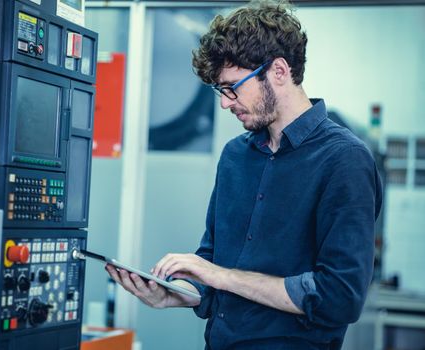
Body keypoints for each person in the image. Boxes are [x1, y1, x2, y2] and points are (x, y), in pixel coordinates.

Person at [106, 1, 383, 349]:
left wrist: (222, 276)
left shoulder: (344, 160)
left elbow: (339, 297)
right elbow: (212, 264)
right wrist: (177, 294)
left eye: (233, 86)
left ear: (279, 71)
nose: (225, 102)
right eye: (221, 90)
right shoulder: (236, 156)